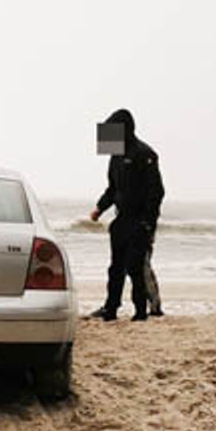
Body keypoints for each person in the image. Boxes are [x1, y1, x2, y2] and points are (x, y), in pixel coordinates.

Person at [88, 108, 164, 321]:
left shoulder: (145, 154)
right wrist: (99, 208)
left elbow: (156, 192)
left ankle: (141, 311)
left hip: (140, 220)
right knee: (115, 267)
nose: (108, 137)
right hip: (121, 219)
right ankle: (110, 309)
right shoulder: (115, 156)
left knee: (135, 266)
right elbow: (113, 188)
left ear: (124, 130)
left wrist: (148, 223)